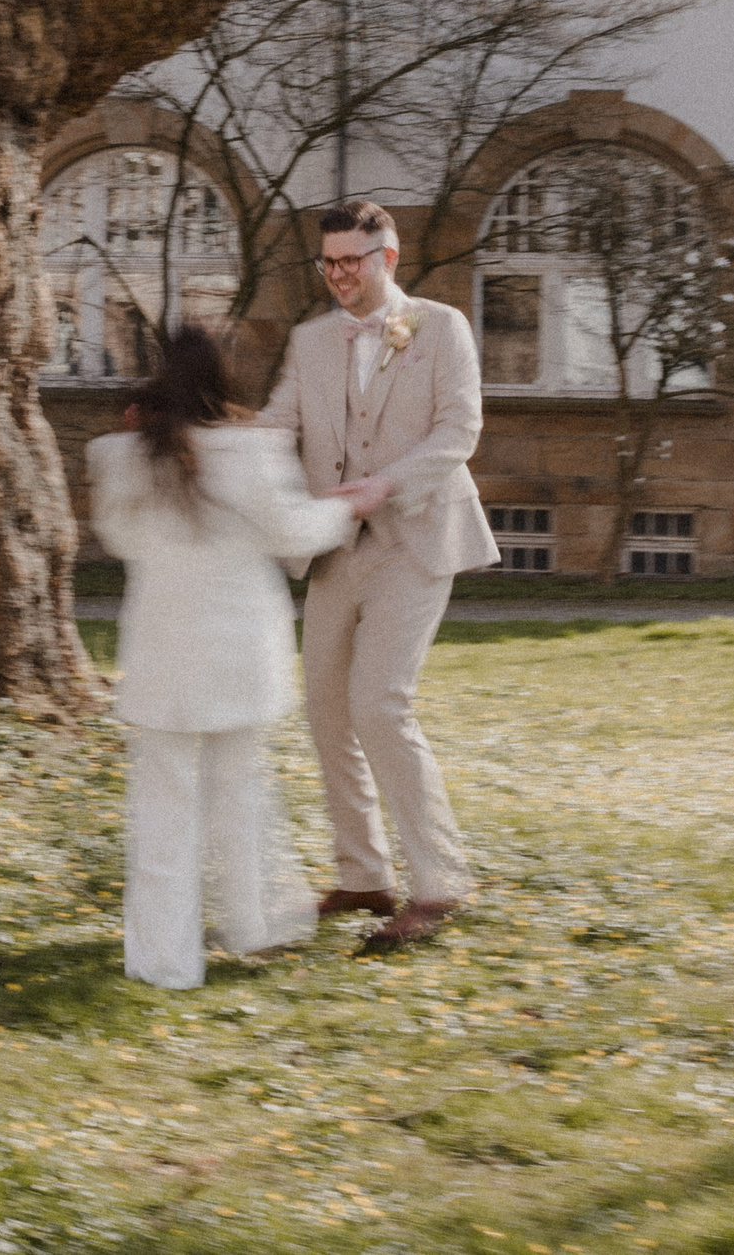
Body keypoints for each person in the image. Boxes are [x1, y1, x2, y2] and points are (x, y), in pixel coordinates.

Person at [87, 324, 380, 990]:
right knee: (242, 796)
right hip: (241, 654)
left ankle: (164, 960)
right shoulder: (254, 453)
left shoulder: (125, 458)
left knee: (162, 813)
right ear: (226, 381)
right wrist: (347, 506)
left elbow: (118, 536)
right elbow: (294, 531)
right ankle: (255, 923)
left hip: (164, 655)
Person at [256, 199, 497, 947]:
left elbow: (460, 428)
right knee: (327, 709)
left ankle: (441, 882)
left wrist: (380, 485)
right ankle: (363, 874)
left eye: (350, 262)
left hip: (416, 540)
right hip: (335, 549)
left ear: (387, 258)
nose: (337, 276)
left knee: (379, 704)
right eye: (327, 262)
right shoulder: (310, 340)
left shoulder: (440, 326)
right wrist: (208, 443)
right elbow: (277, 422)